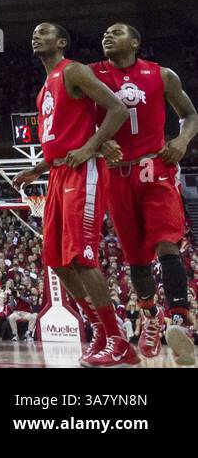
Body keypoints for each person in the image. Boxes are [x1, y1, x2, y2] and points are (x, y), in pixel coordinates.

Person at [15, 22, 135, 367]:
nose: (36, 35)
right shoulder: (44, 89)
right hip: (57, 173)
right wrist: (39, 168)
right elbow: (60, 136)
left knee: (82, 257)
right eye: (33, 32)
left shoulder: (74, 71)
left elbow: (117, 110)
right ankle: (99, 330)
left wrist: (90, 148)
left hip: (84, 171)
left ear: (62, 41)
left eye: (44, 32)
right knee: (56, 261)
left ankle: (118, 339)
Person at [90, 23, 197, 365]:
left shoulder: (162, 74)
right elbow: (76, 118)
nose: (107, 36)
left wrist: (181, 140)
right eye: (105, 32)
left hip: (155, 168)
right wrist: (96, 138)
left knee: (167, 241)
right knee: (136, 258)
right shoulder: (91, 75)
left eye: (117, 32)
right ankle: (150, 316)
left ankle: (179, 320)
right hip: (116, 174)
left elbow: (191, 115)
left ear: (135, 42)